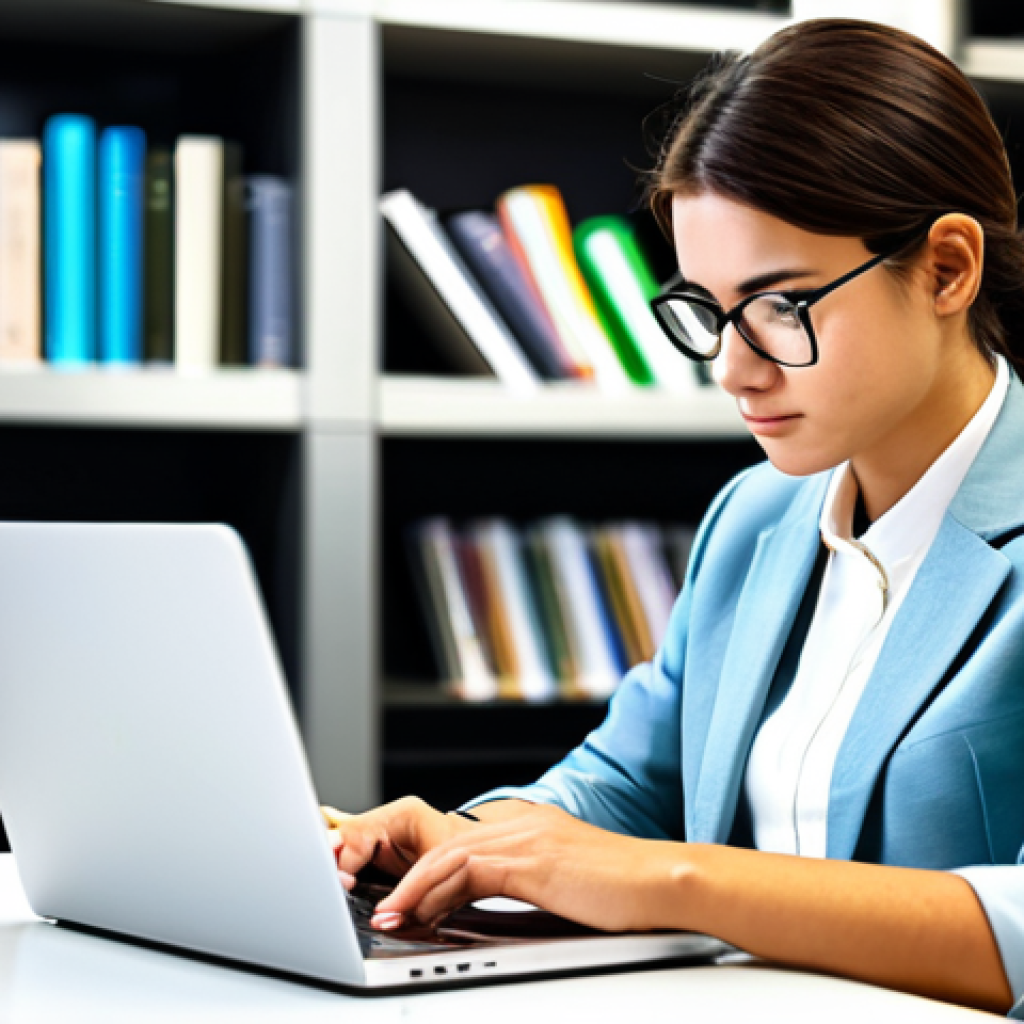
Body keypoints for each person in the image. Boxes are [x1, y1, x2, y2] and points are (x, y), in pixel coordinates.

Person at [323, 19, 1024, 1015]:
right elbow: (628, 781)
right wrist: (474, 839)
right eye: (708, 308)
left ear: (947, 269)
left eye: (782, 305)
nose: (730, 368)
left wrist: (674, 881)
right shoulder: (755, 516)